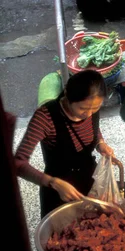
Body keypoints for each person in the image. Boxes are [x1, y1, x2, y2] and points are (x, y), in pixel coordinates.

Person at [15, 70, 115, 217]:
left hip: (89, 177)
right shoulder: (45, 117)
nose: (88, 114)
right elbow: (18, 163)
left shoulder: (90, 108)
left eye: (95, 108)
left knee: (97, 223)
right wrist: (52, 182)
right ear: (68, 96)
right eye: (82, 108)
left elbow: (93, 128)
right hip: (58, 187)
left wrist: (100, 143)